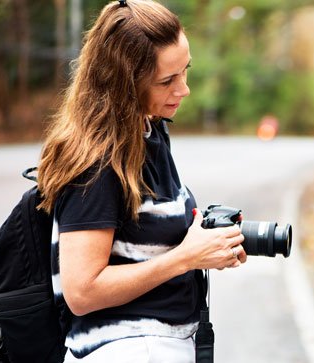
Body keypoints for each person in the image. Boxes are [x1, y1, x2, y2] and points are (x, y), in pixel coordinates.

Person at [36, 1, 247, 361]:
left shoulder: (149, 130)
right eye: (167, 80)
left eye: (185, 71)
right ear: (123, 82)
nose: (184, 89)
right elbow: (82, 291)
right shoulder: (97, 158)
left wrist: (208, 247)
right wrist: (185, 258)